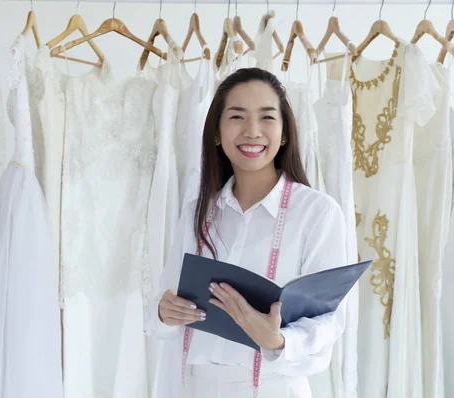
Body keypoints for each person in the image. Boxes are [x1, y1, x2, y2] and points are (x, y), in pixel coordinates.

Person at [144, 67, 347, 398]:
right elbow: (165, 299)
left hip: (274, 388)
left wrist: (278, 339)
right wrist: (164, 312)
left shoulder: (317, 213)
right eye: (237, 117)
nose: (252, 131)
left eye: (267, 118)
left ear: (284, 134)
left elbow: (330, 321)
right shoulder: (198, 210)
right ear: (216, 132)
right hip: (194, 387)